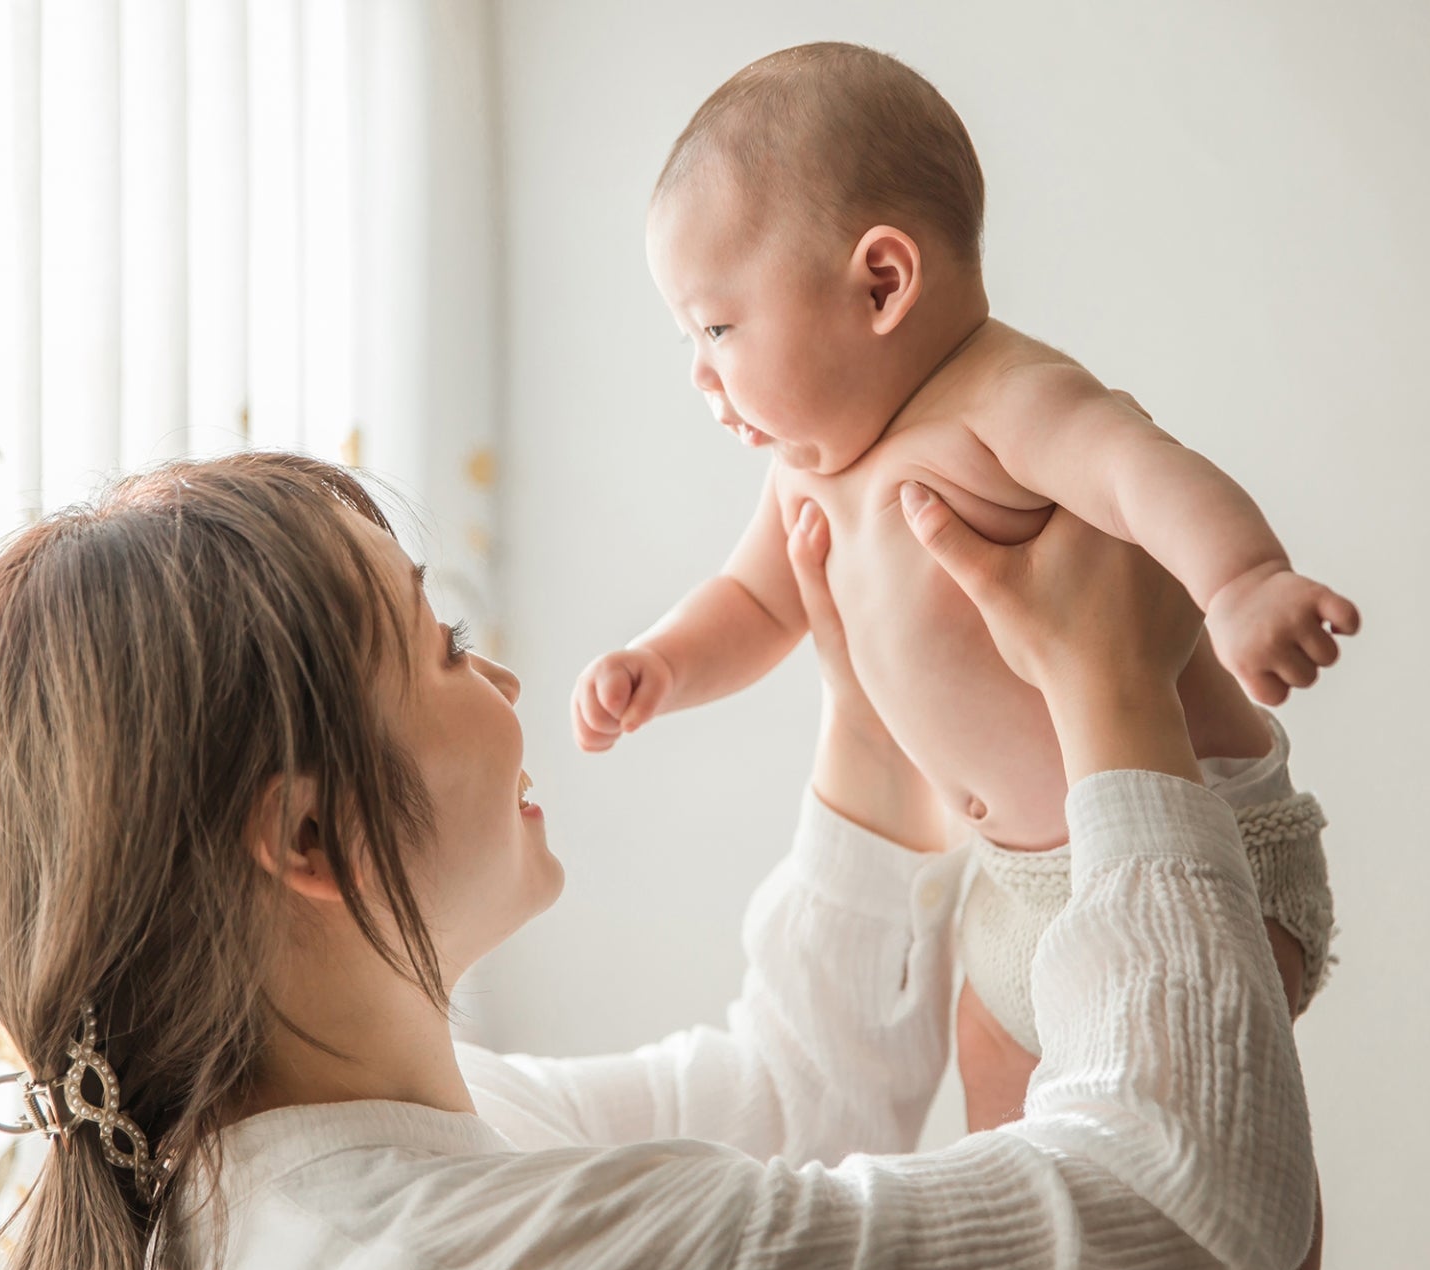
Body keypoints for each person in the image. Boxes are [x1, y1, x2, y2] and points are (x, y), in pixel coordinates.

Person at [0, 450, 1316, 1270]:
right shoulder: (474, 1252)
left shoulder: (299, 1176)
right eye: (446, 647)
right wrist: (1109, 689)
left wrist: (864, 681)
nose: (510, 680)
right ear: (307, 839)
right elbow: (1188, 1216)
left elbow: (793, 1100)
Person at [568, 42, 1350, 1137]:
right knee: (999, 1091)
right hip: (1013, 887)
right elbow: (752, 604)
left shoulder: (1002, 399)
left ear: (881, 282)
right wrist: (659, 662)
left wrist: (1243, 581)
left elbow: (1140, 472)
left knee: (1219, 1118)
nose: (700, 371)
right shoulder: (810, 465)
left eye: (717, 326)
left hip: (1193, 849)